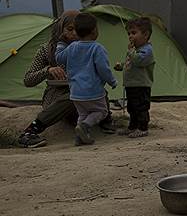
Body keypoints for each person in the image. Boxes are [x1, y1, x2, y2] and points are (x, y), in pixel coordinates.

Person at [16, 11, 114, 148]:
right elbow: (28, 80)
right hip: (57, 95)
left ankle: (105, 119)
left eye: (77, 29)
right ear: (60, 29)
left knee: (92, 90)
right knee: (73, 96)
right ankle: (30, 131)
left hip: (85, 94)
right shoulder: (47, 50)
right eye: (69, 29)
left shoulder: (89, 48)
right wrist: (48, 70)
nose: (74, 33)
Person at [56, 12, 118, 145]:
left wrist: (61, 42)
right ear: (94, 31)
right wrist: (112, 81)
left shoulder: (71, 47)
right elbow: (103, 69)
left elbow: (59, 58)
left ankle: (79, 138)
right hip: (93, 91)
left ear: (77, 32)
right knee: (101, 111)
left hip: (75, 92)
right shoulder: (97, 49)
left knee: (82, 115)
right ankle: (85, 127)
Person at [114, 17, 154, 138]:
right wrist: (121, 66)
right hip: (131, 84)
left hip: (141, 85)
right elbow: (130, 63)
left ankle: (142, 128)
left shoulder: (147, 50)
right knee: (132, 107)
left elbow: (139, 61)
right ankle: (133, 126)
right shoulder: (135, 50)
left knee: (141, 107)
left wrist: (130, 52)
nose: (130, 36)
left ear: (146, 34)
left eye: (134, 33)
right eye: (129, 33)